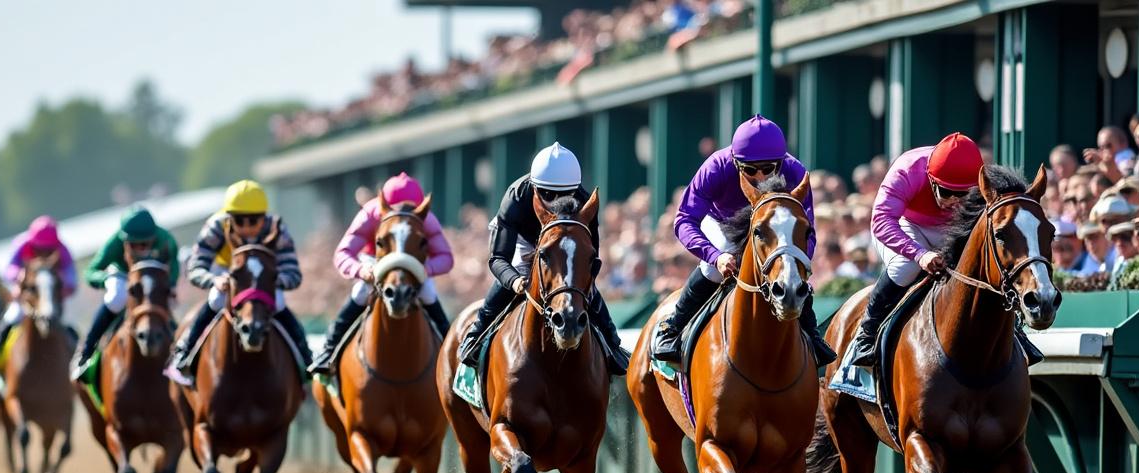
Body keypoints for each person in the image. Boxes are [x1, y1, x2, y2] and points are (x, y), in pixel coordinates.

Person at [653, 114, 837, 365]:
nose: (760, 177)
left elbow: (808, 230)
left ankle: (812, 335)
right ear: (736, 164)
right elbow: (684, 219)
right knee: (719, 260)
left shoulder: (795, 172)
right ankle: (673, 328)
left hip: (770, 227)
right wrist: (715, 257)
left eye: (768, 169)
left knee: (791, 265)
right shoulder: (715, 167)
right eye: (750, 170)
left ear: (780, 163)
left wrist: (800, 261)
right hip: (721, 222)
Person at [851, 132, 1043, 366]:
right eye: (946, 192)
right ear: (931, 179)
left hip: (954, 228)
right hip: (908, 225)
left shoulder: (985, 180)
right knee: (906, 266)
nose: (954, 201)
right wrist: (920, 255)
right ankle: (867, 333)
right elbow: (882, 221)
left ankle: (1016, 332)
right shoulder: (908, 169)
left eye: (963, 194)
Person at [456, 142, 629, 375]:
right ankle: (477, 333)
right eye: (549, 194)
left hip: (564, 242)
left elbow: (591, 258)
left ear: (575, 190)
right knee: (516, 271)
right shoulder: (516, 197)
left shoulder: (586, 203)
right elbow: (498, 258)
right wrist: (516, 281)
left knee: (578, 283)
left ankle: (612, 343)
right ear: (537, 189)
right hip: (524, 240)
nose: (557, 201)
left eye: (565, 194)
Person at [166, 180, 312, 385]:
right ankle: (185, 350)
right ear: (228, 217)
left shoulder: (276, 228)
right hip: (227, 272)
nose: (246, 227)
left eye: (253, 220)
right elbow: (195, 267)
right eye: (239, 220)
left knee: (278, 302)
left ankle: (305, 357)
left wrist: (274, 281)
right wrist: (213, 280)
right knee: (216, 299)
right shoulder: (217, 226)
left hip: (263, 280)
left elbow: (293, 272)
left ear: (264, 216)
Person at [309, 173, 454, 375]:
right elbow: (343, 253)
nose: (403, 213)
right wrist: (361, 270)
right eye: (398, 208)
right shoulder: (371, 213)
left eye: (409, 209)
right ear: (385, 206)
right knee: (361, 292)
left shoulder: (425, 218)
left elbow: (446, 257)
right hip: (375, 262)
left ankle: (452, 355)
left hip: (414, 266)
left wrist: (426, 270)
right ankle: (328, 351)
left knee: (428, 292)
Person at [70, 206, 180, 380]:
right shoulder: (115, 242)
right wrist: (104, 279)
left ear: (154, 237)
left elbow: (173, 265)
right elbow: (91, 271)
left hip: (153, 276)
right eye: (134, 244)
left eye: (145, 243)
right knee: (116, 298)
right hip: (123, 276)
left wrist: (171, 284)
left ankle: (181, 351)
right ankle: (86, 351)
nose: (140, 248)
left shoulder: (166, 240)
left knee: (166, 302)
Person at [0, 216, 78, 371]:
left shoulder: (62, 250)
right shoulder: (22, 244)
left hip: (52, 299)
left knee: (69, 326)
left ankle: (77, 358)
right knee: (10, 318)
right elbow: (8, 270)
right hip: (26, 299)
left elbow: (71, 278)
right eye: (39, 249)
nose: (43, 253)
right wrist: (19, 275)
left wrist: (62, 284)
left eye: (48, 250)